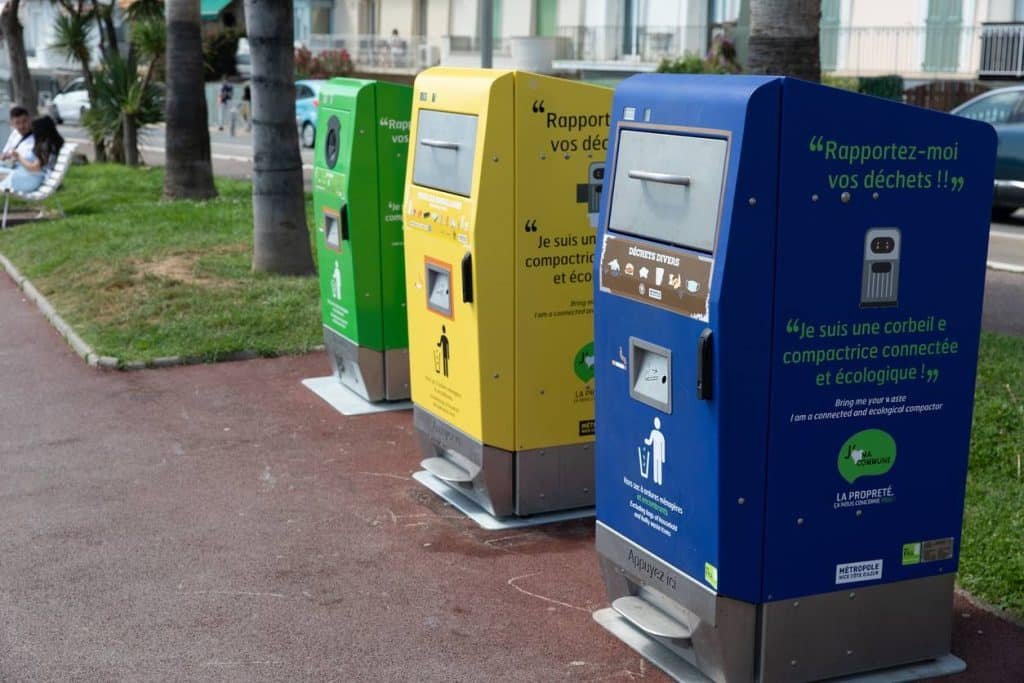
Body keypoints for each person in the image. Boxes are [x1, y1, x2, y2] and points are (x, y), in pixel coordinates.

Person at [0, 116, 63, 194]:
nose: (32, 131)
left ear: (40, 130)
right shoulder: (51, 144)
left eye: (34, 129)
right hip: (31, 177)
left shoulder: (45, 147)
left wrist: (19, 157)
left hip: (31, 180)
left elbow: (35, 168)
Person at [1, 106, 35, 174]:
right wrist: (5, 156)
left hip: (24, 172)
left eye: (24, 121)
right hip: (10, 168)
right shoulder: (15, 133)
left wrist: (17, 157)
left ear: (29, 119)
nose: (21, 126)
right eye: (17, 123)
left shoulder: (37, 137)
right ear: (12, 124)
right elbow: (3, 154)